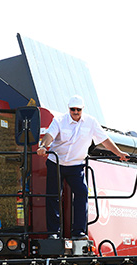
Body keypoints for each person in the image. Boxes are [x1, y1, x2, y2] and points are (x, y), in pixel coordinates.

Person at [37, 96, 128, 237]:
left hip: (75, 166)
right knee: (53, 195)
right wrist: (43, 146)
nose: (75, 112)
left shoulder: (91, 123)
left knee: (82, 193)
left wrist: (119, 153)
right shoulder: (60, 121)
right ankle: (53, 232)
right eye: (72, 109)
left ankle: (78, 231)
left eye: (78, 109)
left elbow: (105, 140)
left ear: (82, 109)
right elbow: (49, 135)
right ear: (68, 109)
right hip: (56, 163)